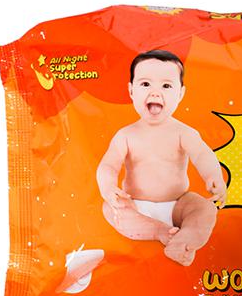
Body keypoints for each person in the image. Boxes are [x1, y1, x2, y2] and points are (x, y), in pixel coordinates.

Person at [96, 50, 226, 266]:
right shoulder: (126, 135)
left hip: (178, 204)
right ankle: (161, 232)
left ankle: (184, 241)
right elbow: (108, 165)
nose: (155, 93)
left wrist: (214, 176)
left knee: (205, 209)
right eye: (146, 84)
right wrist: (108, 187)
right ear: (131, 90)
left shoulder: (183, 132)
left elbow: (202, 154)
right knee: (111, 209)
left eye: (166, 86)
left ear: (180, 94)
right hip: (135, 204)